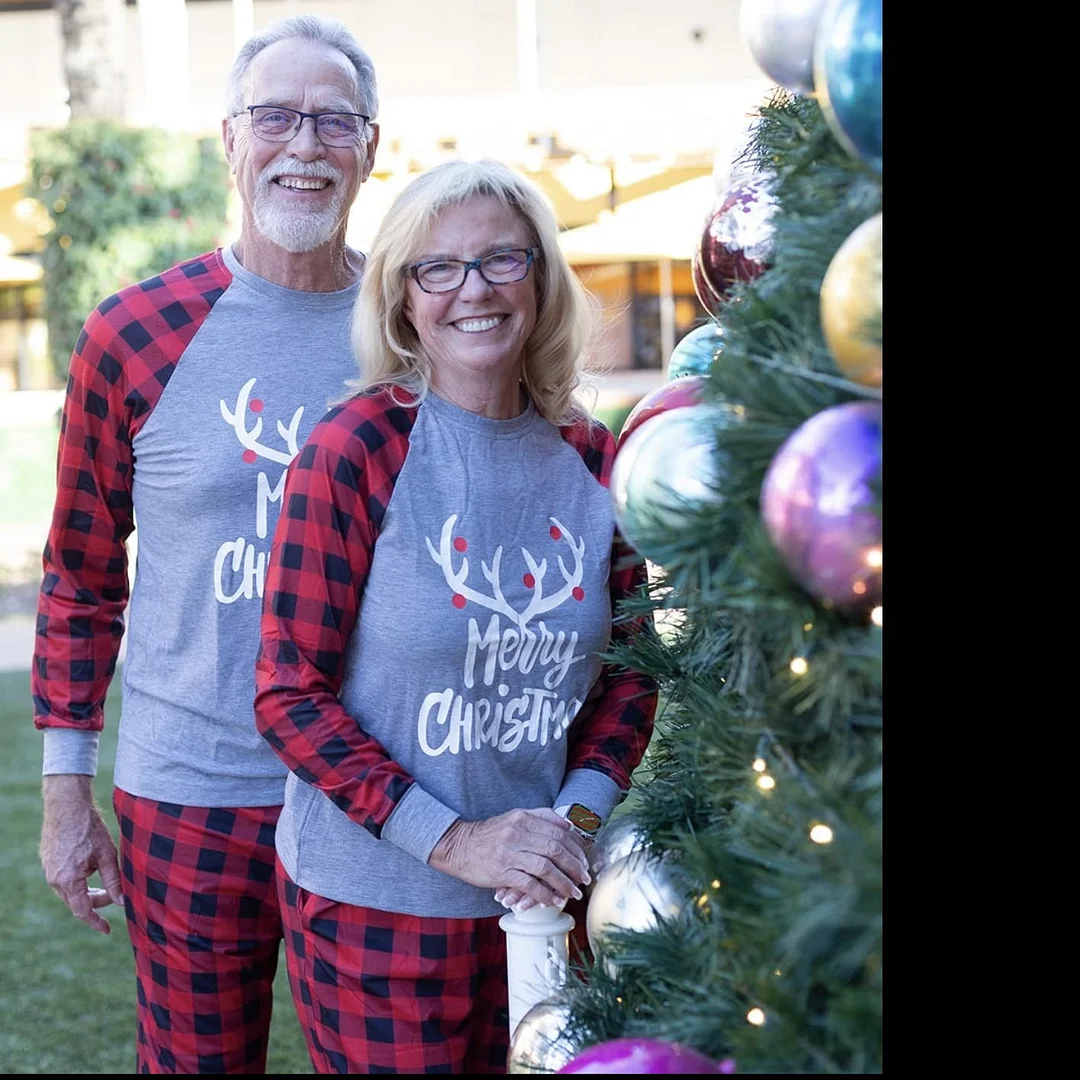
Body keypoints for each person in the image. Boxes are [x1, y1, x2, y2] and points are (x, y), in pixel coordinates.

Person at [253, 158, 659, 1074]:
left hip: (549, 901)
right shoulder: (355, 448)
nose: (472, 290)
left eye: (501, 261)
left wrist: (573, 828)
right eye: (438, 268)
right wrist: (459, 842)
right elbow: (287, 694)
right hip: (379, 917)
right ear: (402, 300)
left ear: (542, 280)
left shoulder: (597, 460)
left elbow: (636, 679)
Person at [32, 15, 380, 1074]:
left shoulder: (416, 326)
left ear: (371, 149)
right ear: (230, 140)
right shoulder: (136, 333)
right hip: (189, 787)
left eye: (333, 120)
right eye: (275, 115)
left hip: (375, 795)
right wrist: (64, 795)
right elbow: (82, 575)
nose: (304, 144)